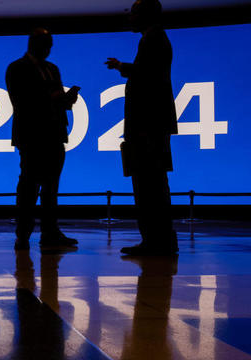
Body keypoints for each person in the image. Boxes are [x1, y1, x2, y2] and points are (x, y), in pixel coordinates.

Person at [105, 0, 179, 255]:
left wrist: (123, 68)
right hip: (152, 123)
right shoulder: (155, 38)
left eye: (134, 13)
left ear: (145, 15)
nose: (130, 18)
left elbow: (147, 77)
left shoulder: (153, 39)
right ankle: (159, 239)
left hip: (148, 124)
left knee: (148, 184)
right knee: (153, 183)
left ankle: (156, 240)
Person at [6, 28, 80, 251]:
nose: (48, 49)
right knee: (29, 186)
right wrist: (52, 98)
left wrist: (68, 100)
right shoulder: (17, 68)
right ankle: (23, 234)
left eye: (50, 44)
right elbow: (21, 101)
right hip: (31, 135)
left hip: (55, 134)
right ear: (34, 44)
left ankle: (50, 232)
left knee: (51, 186)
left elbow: (58, 101)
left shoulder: (52, 69)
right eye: (45, 44)